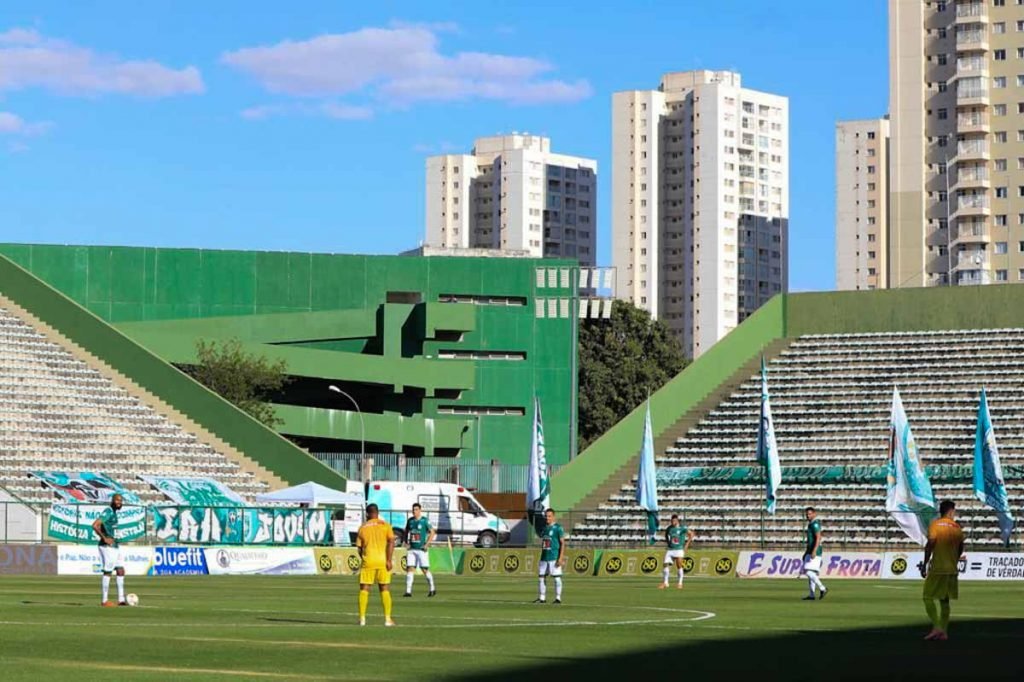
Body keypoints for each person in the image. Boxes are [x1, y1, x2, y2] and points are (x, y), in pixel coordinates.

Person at [921, 500, 965, 641]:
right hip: (951, 570)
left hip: (938, 569)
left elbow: (931, 543)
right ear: (950, 511)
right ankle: (944, 632)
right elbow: (960, 548)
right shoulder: (957, 527)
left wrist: (925, 562)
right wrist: (953, 560)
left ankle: (937, 627)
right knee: (945, 601)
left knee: (927, 597)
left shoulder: (935, 525)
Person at [356, 503, 396, 626]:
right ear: (378, 513)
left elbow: (359, 548)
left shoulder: (363, 527)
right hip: (383, 561)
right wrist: (389, 560)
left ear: (367, 514)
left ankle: (362, 619)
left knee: (364, 589)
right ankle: (387, 619)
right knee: (384, 589)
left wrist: (364, 557)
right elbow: (391, 542)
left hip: (369, 561)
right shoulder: (386, 526)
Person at [91, 493, 127, 607]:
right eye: (117, 500)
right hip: (107, 546)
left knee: (120, 570)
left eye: (120, 500)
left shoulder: (114, 513)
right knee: (108, 571)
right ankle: (104, 600)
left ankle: (121, 599)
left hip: (115, 545)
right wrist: (104, 538)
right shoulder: (108, 511)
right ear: (112, 500)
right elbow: (95, 525)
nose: (119, 502)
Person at [403, 503, 436, 598]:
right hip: (412, 549)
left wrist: (427, 544)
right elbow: (406, 531)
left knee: (424, 569)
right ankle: (408, 591)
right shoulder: (410, 521)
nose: (414, 511)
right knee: (410, 568)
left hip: (421, 549)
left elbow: (432, 532)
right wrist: (405, 542)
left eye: (416, 509)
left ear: (420, 510)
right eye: (413, 510)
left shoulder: (424, 521)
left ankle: (432, 588)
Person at [534, 508, 566, 604]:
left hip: (554, 556)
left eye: (549, 516)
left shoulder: (558, 528)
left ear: (553, 517)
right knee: (541, 577)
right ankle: (542, 598)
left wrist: (560, 558)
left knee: (556, 578)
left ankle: (558, 598)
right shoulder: (545, 528)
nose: (547, 518)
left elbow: (563, 543)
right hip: (544, 556)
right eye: (546, 516)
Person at [659, 514, 695, 589]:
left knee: (679, 566)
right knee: (665, 564)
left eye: (673, 521)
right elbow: (666, 534)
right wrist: (668, 542)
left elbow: (691, 534)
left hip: (679, 549)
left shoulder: (682, 528)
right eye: (671, 521)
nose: (672, 522)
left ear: (677, 521)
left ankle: (680, 583)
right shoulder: (669, 528)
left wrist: (687, 544)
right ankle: (665, 583)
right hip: (670, 549)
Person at [801, 507, 828, 600]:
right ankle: (812, 594)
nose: (807, 516)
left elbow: (818, 537)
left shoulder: (815, 524)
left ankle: (822, 588)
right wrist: (806, 552)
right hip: (810, 550)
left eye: (809, 514)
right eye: (806, 514)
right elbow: (810, 541)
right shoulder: (810, 524)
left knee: (807, 571)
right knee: (811, 572)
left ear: (814, 514)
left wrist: (814, 550)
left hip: (815, 551)